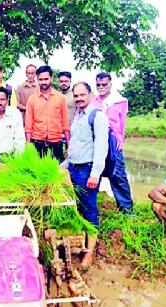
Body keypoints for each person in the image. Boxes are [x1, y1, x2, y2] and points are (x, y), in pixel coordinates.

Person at [61, 82, 109, 267]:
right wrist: (64, 165)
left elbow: (101, 147)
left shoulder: (97, 117)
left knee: (89, 209)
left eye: (83, 95)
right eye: (76, 95)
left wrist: (95, 173)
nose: (79, 98)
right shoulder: (78, 116)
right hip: (73, 168)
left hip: (87, 170)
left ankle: (89, 252)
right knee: (74, 206)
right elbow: (75, 146)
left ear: (90, 95)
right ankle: (76, 243)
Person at [90, 71, 134, 214]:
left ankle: (127, 210)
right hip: (96, 141)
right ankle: (90, 207)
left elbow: (122, 124)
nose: (101, 87)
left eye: (104, 84)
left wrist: (120, 142)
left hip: (113, 141)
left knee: (118, 175)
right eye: (98, 84)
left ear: (110, 84)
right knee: (93, 171)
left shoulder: (120, 101)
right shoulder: (93, 101)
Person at [25, 65, 70, 162]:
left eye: (46, 79)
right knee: (36, 174)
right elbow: (28, 124)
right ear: (37, 79)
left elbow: (65, 123)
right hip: (37, 143)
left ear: (51, 78)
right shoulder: (32, 99)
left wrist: (68, 145)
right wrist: (28, 144)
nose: (43, 82)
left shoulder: (60, 98)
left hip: (56, 143)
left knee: (57, 174)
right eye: (40, 79)